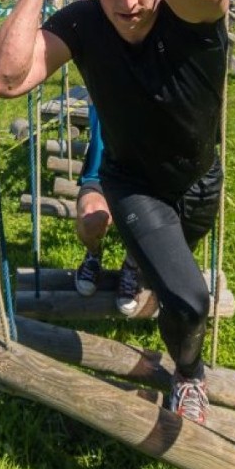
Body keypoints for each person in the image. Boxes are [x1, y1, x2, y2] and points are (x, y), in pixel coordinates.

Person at [0, 0, 228, 425]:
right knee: (191, 300)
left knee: (158, 271)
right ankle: (188, 373)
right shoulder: (84, 21)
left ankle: (138, 266)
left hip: (199, 183)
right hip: (133, 182)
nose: (129, 0)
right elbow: (6, 80)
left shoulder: (193, 17)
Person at [72, 104, 144, 314]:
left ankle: (131, 266)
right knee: (91, 216)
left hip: (144, 179)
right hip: (100, 174)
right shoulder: (103, 77)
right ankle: (93, 255)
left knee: (147, 220)